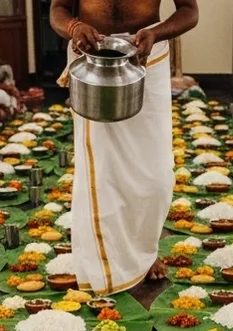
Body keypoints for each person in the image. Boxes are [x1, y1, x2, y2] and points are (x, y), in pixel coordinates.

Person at [50, 0, 198, 292]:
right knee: (101, 172)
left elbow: (189, 11)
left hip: (147, 57)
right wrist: (75, 26)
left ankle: (145, 251)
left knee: (155, 177)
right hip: (92, 58)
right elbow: (58, 8)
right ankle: (100, 266)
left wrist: (156, 32)